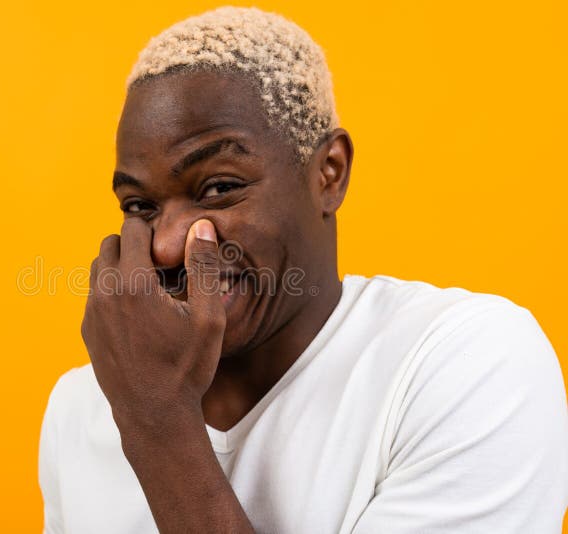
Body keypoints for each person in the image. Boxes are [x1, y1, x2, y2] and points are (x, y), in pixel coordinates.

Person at [38, 6, 568, 533]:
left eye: (220, 187)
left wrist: (156, 421)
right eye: (140, 206)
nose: (171, 245)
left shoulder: (467, 364)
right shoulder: (78, 407)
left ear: (328, 174)